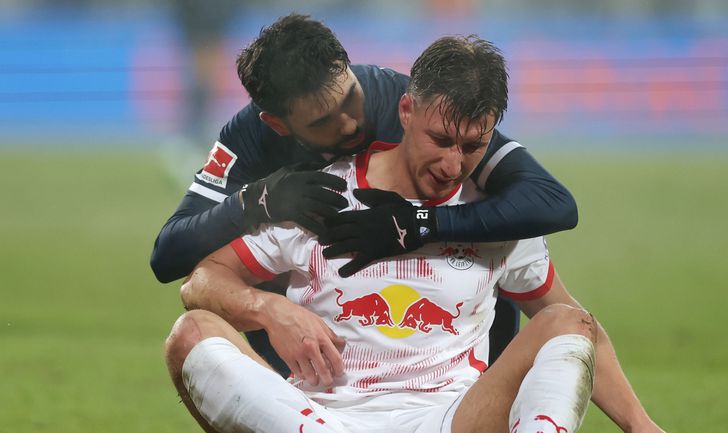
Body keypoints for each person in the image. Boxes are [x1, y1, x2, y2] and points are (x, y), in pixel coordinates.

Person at [165, 35, 664, 433]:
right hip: (328, 419)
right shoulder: (319, 196)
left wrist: (642, 427)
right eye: (440, 140)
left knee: (566, 324)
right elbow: (199, 281)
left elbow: (577, 326)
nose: (452, 165)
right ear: (405, 111)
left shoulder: (498, 218)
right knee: (192, 334)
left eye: (472, 146)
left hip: (452, 418)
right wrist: (268, 309)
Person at [150, 12, 575, 374]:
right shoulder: (249, 138)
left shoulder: (407, 104)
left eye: (350, 98)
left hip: (449, 312)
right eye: (323, 122)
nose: (350, 123)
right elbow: (168, 255)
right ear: (278, 124)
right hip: (318, 330)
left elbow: (552, 202)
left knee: (491, 245)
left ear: (348, 67)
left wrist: (422, 224)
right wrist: (256, 201)